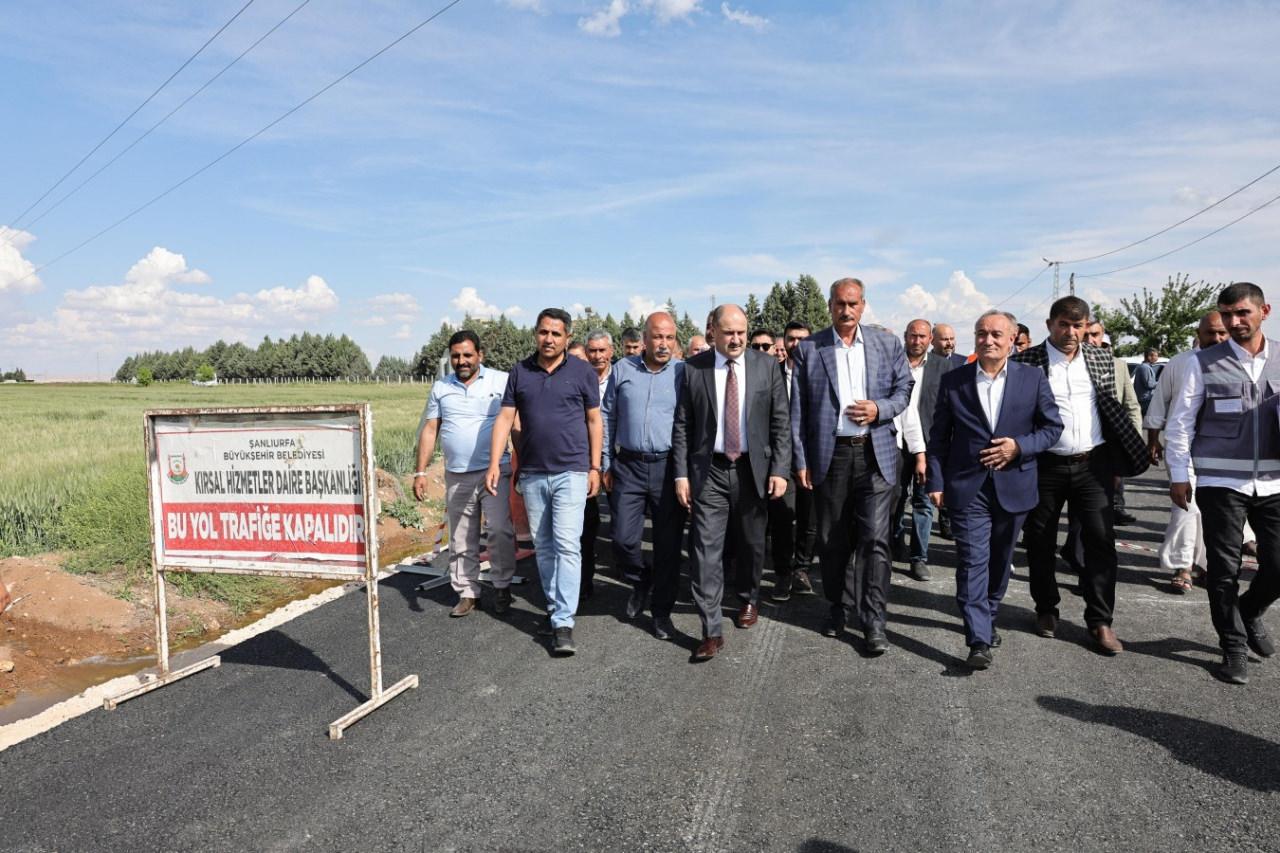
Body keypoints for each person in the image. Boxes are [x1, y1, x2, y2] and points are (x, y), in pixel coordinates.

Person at [927, 310, 1062, 668]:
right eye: (981, 333)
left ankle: (988, 614)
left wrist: (1019, 447)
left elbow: (1052, 428)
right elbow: (938, 437)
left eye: (996, 334)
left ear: (1012, 339)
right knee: (972, 561)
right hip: (967, 487)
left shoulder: (1032, 378)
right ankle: (978, 639)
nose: (988, 340)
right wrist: (935, 481)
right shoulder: (954, 380)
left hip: (1015, 484)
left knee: (1000, 561)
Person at [1166, 282, 1280, 685]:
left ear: (1264, 311)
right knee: (1223, 569)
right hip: (1220, 481)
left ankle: (1249, 612)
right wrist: (1179, 474)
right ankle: (1233, 646)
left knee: (1277, 565)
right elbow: (1181, 422)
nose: (1234, 321)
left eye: (1242, 313)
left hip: (1274, 483)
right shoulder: (1203, 362)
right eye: (1227, 314)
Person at [791, 278, 913, 654]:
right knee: (832, 540)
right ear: (830, 305)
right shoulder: (810, 348)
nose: (846, 310)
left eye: (853, 303)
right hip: (831, 457)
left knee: (875, 540)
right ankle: (838, 606)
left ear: (863, 305)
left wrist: (879, 409)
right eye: (840, 304)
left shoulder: (886, 344)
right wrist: (801, 460)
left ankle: (873, 620)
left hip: (876, 454)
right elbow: (798, 411)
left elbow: (904, 389)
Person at [1012, 296, 1134, 655]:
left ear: (1086, 327)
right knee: (1040, 540)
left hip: (1093, 466)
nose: (1070, 332)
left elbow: (1115, 410)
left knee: (1101, 542)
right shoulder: (1025, 361)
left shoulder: (1101, 359)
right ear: (1050, 324)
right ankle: (1046, 608)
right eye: (1064, 324)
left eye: (1078, 326)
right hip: (1044, 465)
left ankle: (1100, 621)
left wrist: (1118, 462)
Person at [672, 304, 791, 661]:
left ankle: (748, 598)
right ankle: (711, 630)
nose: (737, 339)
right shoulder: (693, 369)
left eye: (741, 332)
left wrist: (779, 469)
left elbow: (780, 422)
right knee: (705, 551)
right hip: (709, 471)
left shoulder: (766, 366)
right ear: (713, 332)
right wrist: (681, 474)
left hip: (753, 471)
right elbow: (683, 425)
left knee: (752, 544)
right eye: (729, 333)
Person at [487, 308, 603, 656]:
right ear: (536, 333)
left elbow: (594, 421)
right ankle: (555, 608)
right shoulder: (520, 372)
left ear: (568, 337)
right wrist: (494, 463)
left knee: (567, 544)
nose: (548, 339)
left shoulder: (582, 372)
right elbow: (505, 418)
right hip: (534, 473)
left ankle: (564, 621)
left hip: (572, 471)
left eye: (556, 333)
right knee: (545, 545)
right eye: (543, 332)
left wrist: (594, 467)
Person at [414, 330, 518, 617]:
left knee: (499, 530)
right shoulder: (441, 387)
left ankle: (502, 586)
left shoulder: (501, 381)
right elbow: (430, 430)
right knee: (461, 536)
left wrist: (522, 463)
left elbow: (514, 423)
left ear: (480, 355)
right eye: (456, 356)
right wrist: (420, 472)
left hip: (494, 471)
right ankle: (467, 592)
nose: (462, 361)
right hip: (457, 474)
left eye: (468, 355)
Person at [605, 312, 688, 639]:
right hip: (628, 466)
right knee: (622, 540)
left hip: (668, 469)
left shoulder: (683, 373)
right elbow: (608, 416)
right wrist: (605, 462)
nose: (664, 344)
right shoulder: (622, 370)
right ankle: (641, 579)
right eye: (657, 337)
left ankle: (661, 614)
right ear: (645, 339)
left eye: (669, 338)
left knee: (668, 547)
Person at [1145, 311, 1228, 593]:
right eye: (1210, 333)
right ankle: (1182, 566)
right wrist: (1153, 439)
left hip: (1223, 451)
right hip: (1183, 448)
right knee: (1187, 506)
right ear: (1198, 334)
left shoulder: (1239, 364)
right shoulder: (1180, 362)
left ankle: (1204, 564)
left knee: (1212, 509)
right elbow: (1160, 400)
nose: (1217, 338)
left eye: (1222, 332)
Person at [771, 320, 818, 599]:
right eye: (791, 338)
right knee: (782, 519)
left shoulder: (820, 374)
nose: (796, 344)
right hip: (781, 460)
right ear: (785, 341)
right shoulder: (771, 374)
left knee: (809, 519)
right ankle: (782, 573)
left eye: (803, 339)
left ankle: (802, 568)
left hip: (812, 458)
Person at [890, 319, 932, 581]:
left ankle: (919, 558)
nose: (917, 341)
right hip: (893, 445)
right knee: (895, 499)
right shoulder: (891, 364)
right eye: (913, 336)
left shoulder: (940, 367)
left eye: (922, 336)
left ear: (930, 339)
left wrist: (924, 453)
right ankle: (895, 543)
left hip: (925, 445)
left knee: (923, 502)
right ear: (905, 336)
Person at [580, 329, 617, 597]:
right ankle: (584, 581)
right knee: (586, 522)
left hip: (616, 458)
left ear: (611, 351)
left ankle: (629, 570)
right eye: (592, 351)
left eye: (602, 350)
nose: (597, 356)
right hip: (585, 459)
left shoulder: (622, 378)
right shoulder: (579, 378)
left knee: (623, 524)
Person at [1133, 349, 1160, 414]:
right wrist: (1160, 382)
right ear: (1149, 357)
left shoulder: (1145, 367)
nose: (1157, 358)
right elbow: (1149, 384)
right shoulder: (1145, 367)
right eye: (1155, 356)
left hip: (1145, 399)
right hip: (1145, 400)